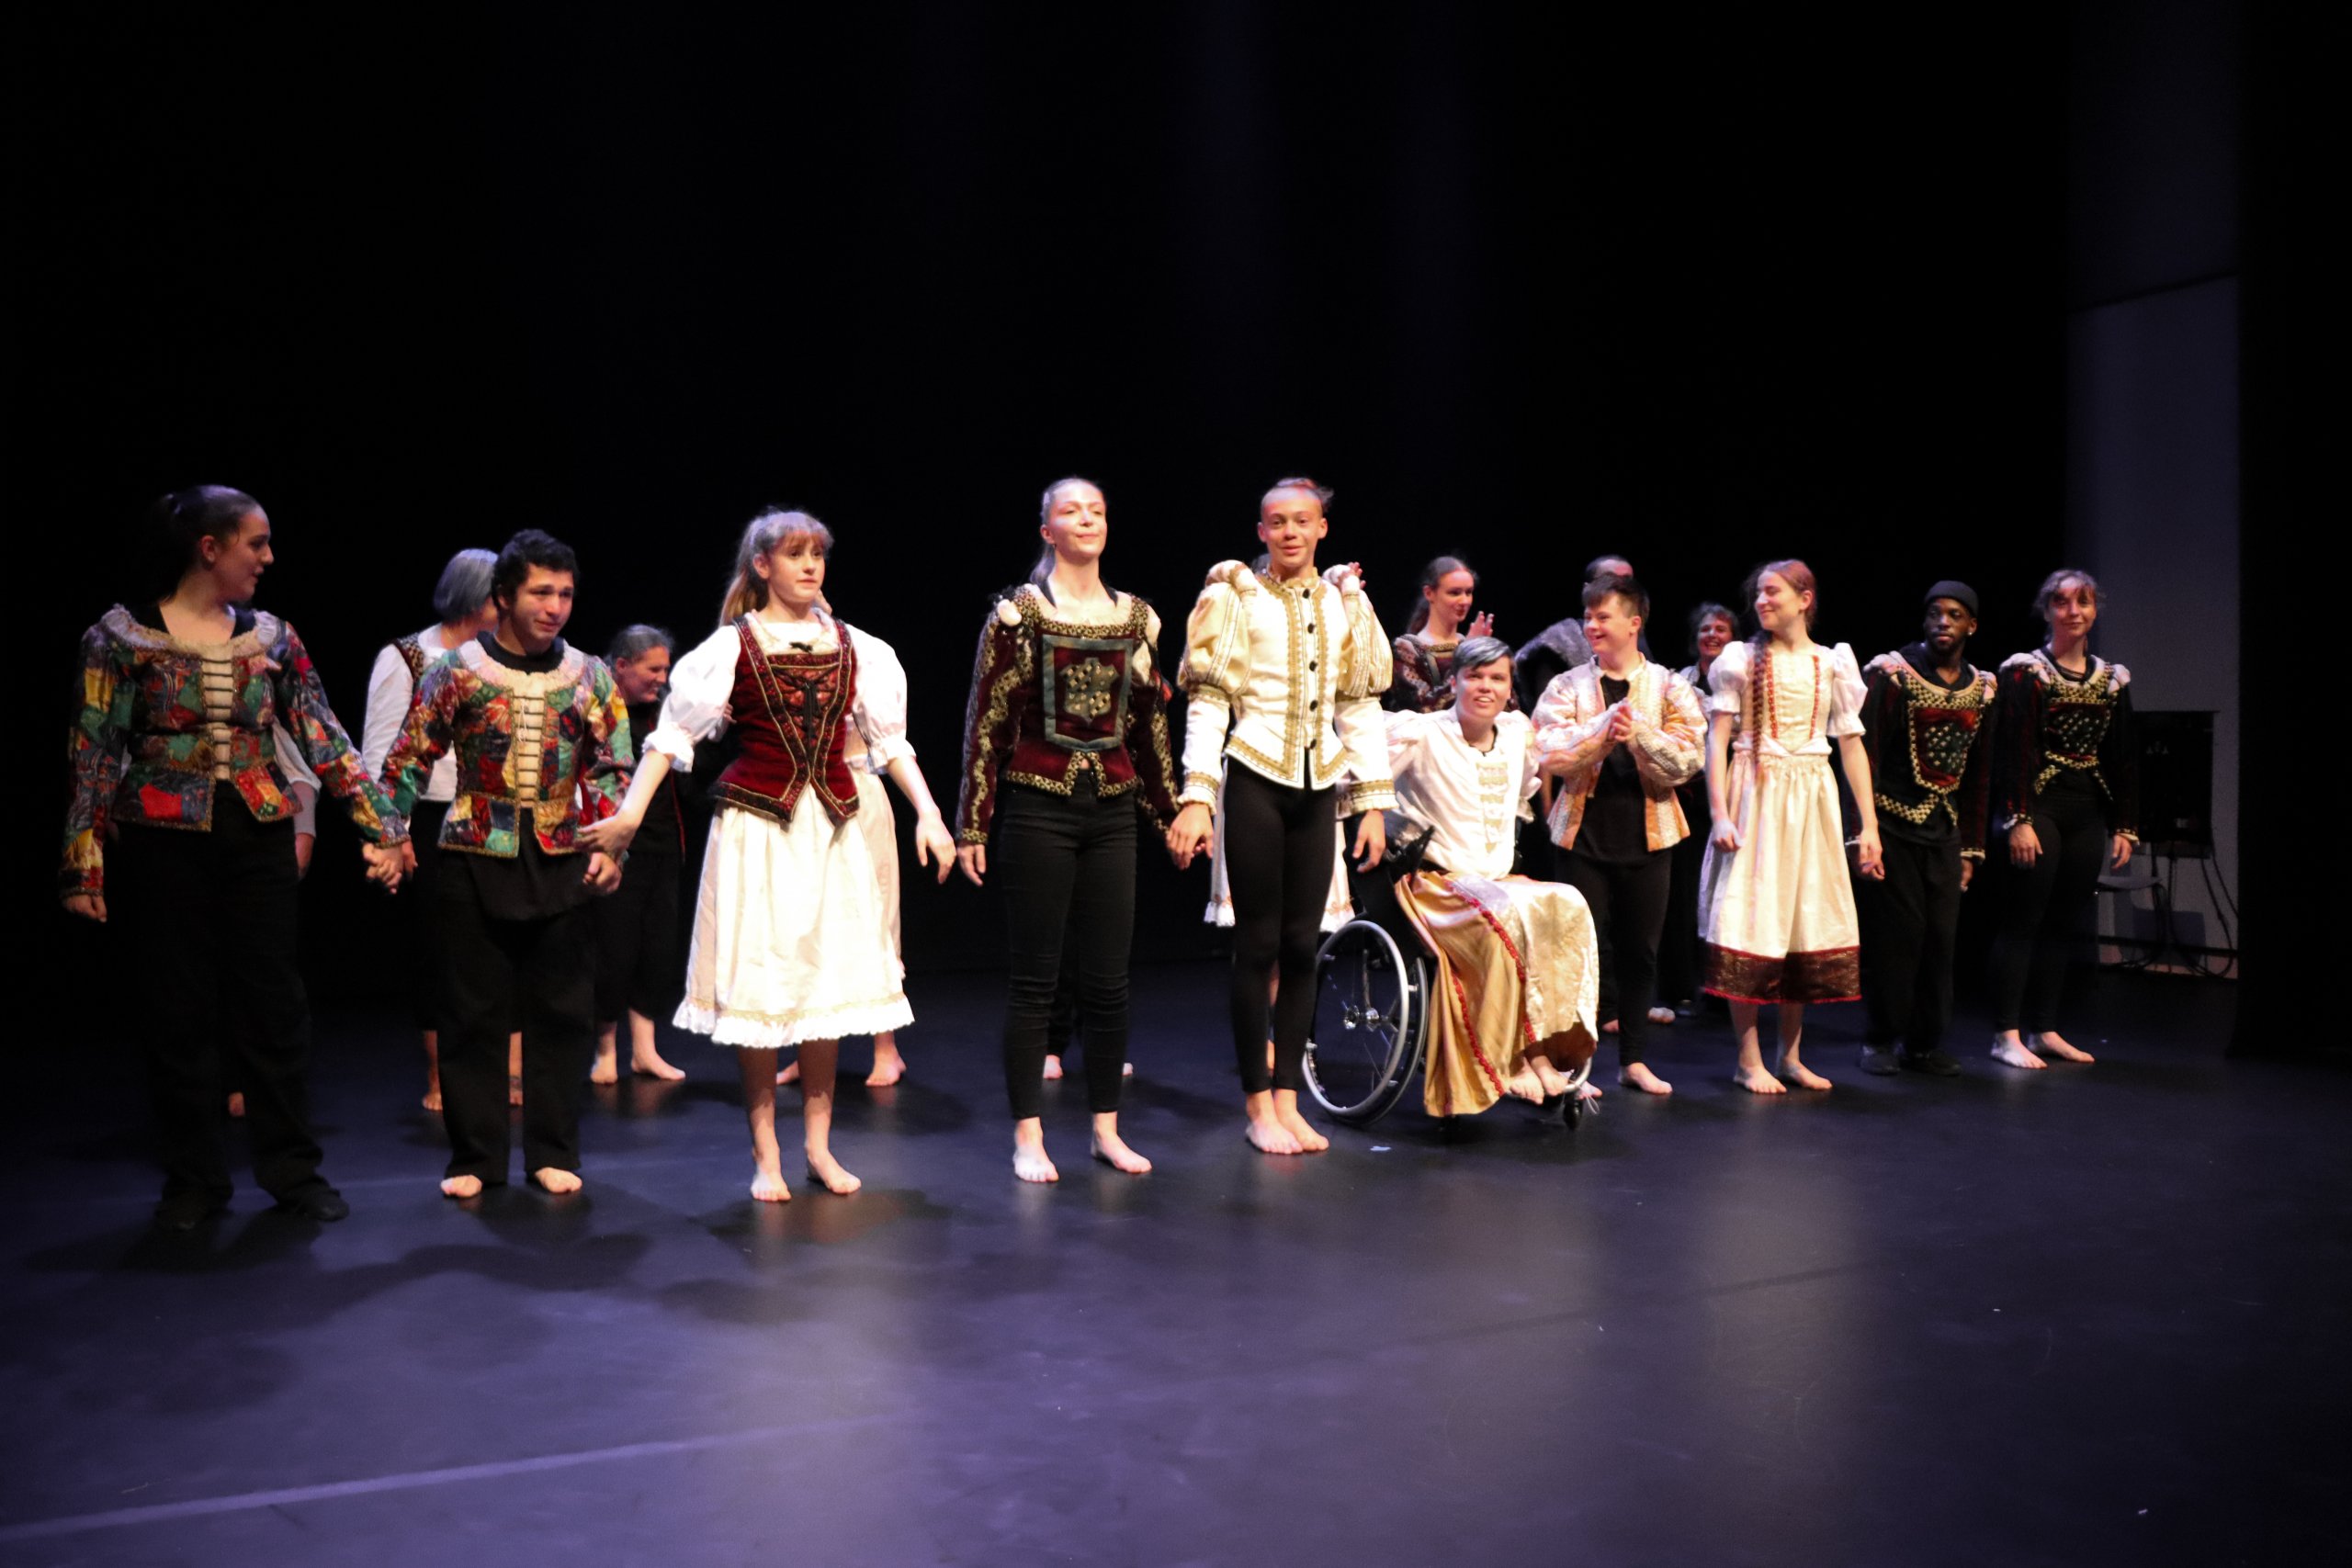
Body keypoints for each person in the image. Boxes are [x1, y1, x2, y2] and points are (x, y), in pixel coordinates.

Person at [62, 486, 408, 1230]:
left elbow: (324, 736)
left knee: (275, 1005)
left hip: (255, 833)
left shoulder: (273, 637)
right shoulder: (121, 637)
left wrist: (382, 824)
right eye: (256, 542)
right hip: (162, 837)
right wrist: (82, 862)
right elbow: (94, 751)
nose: (268, 557)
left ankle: (292, 1171)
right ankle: (192, 1182)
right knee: (178, 1009)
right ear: (209, 548)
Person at [585, 508, 955, 1201]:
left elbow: (891, 743)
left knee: (826, 989)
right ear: (763, 566)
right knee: (762, 983)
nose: (810, 565)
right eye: (794, 554)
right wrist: (630, 815)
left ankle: (817, 1145)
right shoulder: (731, 648)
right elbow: (670, 740)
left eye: (817, 553)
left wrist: (930, 813)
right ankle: (766, 1154)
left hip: (834, 830)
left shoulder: (858, 647)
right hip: (760, 832)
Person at [380, 529, 630, 1198]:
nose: (555, 606)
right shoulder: (456, 668)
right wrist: (386, 832)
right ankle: (475, 1157)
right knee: (472, 1011)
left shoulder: (591, 675)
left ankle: (553, 1149)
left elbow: (611, 768)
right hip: (473, 849)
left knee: (561, 1011)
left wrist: (610, 845)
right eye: (541, 592)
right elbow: (409, 755)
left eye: (566, 594)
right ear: (504, 597)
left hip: (560, 853)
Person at [956, 477, 1180, 1181]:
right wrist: (974, 824)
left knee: (1109, 980)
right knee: (1035, 980)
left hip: (1110, 809)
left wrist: (1172, 813)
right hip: (1038, 806)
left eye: (1098, 511)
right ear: (1046, 528)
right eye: (1071, 511)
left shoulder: (1138, 617)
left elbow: (1149, 728)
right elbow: (986, 722)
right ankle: (1028, 1134)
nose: (1087, 519)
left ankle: (1105, 1128)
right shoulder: (1019, 614)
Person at [1168, 477, 1393, 1156]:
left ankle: (1290, 1099)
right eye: (1277, 522)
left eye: (1302, 520)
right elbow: (1209, 701)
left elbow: (1358, 707)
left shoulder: (1342, 601)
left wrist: (1372, 804)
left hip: (1318, 783)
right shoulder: (1235, 596)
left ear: (1323, 527)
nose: (1290, 531)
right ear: (1261, 530)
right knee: (1258, 944)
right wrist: (1197, 796)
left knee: (1304, 947)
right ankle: (1257, 1105)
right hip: (1257, 778)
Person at [1389, 637, 1600, 1112]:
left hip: (1496, 883)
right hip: (1437, 884)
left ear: (1509, 688)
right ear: (1455, 682)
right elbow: (1366, 779)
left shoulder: (1515, 732)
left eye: (1497, 678)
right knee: (1502, 915)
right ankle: (1517, 1058)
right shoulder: (1422, 733)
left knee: (1566, 903)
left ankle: (1550, 1052)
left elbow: (1524, 790)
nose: (1486, 687)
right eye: (1475, 676)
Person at [1697, 559, 1883, 1093]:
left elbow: (1851, 745)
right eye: (1757, 593)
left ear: (1805, 598)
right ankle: (1747, 1059)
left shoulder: (1832, 664)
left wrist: (1867, 825)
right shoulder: (1739, 659)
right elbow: (1717, 740)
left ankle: (1791, 1056)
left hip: (1812, 798)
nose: (1761, 601)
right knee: (1754, 918)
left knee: (1804, 918)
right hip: (1757, 795)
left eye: (1772, 592)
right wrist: (1719, 813)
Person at [1532, 575, 1706, 1096]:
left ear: (1634, 623)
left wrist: (1640, 734)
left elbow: (1688, 759)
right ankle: (1572, 1066)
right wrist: (1601, 731)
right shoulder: (1567, 686)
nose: (1592, 626)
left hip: (1648, 835)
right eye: (1588, 617)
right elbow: (1550, 750)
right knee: (1577, 952)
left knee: (1640, 952)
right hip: (1583, 835)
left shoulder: (1671, 686)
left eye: (1602, 617)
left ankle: (1633, 1060)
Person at [359, 547, 501, 1112]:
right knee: (439, 954)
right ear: (480, 599)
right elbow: (378, 753)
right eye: (503, 595)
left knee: (493, 948)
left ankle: (499, 1070)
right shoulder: (408, 658)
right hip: (431, 815)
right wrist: (392, 832)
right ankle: (442, 1078)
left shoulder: (496, 659)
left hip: (490, 813)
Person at [1984, 570, 2138, 1070]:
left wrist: (2126, 824)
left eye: (2084, 602)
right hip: (2039, 806)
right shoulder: (2026, 672)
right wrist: (2018, 818)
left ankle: (2045, 1027)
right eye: (2063, 602)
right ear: (2047, 610)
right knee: (2025, 917)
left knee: (2063, 921)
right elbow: (2011, 750)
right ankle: (2005, 1032)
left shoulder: (2110, 678)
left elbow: (2121, 756)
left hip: (2085, 807)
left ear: (2095, 609)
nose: (2074, 611)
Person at [1853, 582, 1997, 1077]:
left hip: (1944, 831)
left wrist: (1972, 850)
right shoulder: (1895, 675)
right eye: (1934, 613)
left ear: (1970, 626)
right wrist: (1864, 833)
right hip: (1892, 826)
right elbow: (1864, 756)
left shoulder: (1981, 687)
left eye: (1954, 615)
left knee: (1940, 939)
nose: (1943, 622)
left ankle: (1923, 1043)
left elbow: (1980, 773)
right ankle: (1880, 1038)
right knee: (1899, 938)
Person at [589, 625, 689, 1087]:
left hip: (665, 846)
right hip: (617, 849)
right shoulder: (598, 709)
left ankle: (645, 1050)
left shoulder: (666, 715)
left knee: (657, 949)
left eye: (666, 668)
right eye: (654, 669)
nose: (661, 677)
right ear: (623, 666)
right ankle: (606, 1050)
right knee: (614, 950)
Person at [1656, 602, 1737, 1019]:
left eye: (1721, 629)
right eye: (1706, 629)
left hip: (1731, 799)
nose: (1713, 635)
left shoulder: (1742, 681)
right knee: (1684, 894)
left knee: (1725, 894)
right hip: (1688, 800)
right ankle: (1679, 986)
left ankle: (1723, 990)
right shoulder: (1678, 681)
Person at [1512, 554, 1633, 715]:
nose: (1621, 589)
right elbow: (1548, 717)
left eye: (1628, 581)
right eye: (1610, 580)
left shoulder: (1637, 641)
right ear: (1587, 589)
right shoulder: (1558, 644)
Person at [1386, 555, 1495, 713]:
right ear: (1429, 593)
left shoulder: (1469, 642)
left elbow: (1501, 700)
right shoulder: (1408, 649)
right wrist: (1466, 656)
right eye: (1454, 593)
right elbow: (1423, 707)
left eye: (1468, 592)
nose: (1464, 601)